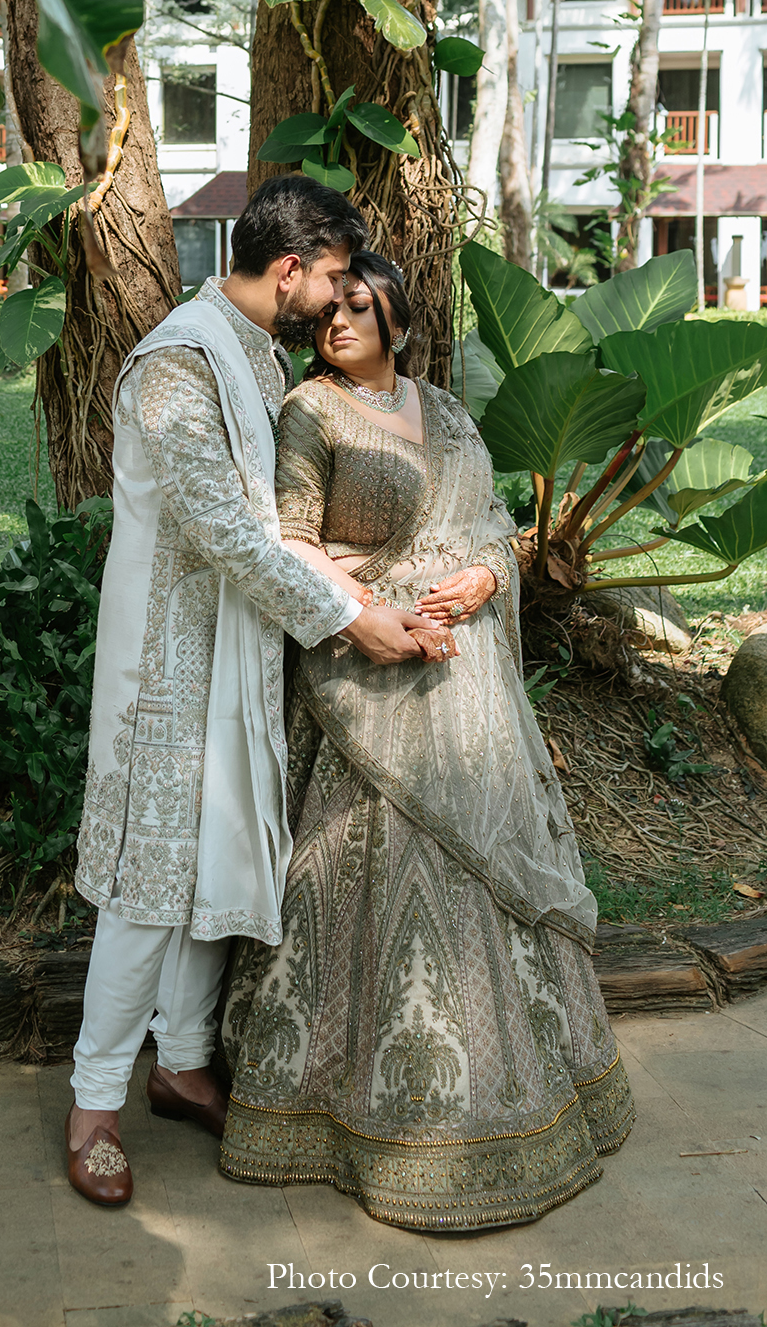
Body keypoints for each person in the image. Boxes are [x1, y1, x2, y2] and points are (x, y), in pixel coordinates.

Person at [219, 253, 634, 1231]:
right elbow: (291, 542)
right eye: (330, 309)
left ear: (398, 324)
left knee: (480, 865)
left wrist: (484, 580)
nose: (338, 322)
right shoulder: (310, 412)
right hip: (364, 668)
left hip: (462, 677)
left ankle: (526, 1091)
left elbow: (490, 526)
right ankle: (340, 1113)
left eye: (361, 308)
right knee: (365, 865)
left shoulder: (443, 413)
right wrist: (375, 611)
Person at [68, 180, 447, 1207]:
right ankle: (93, 1107)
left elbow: (277, 524)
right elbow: (227, 534)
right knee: (150, 884)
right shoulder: (179, 365)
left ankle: (183, 1065)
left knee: (220, 855)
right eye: (331, 277)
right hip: (166, 664)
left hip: (240, 651)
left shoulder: (257, 357)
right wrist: (351, 618)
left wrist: (361, 579)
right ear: (289, 268)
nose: (335, 300)